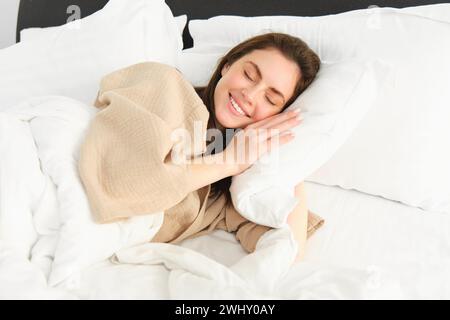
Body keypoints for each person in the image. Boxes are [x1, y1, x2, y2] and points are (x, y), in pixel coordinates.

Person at [79, 32, 322, 263]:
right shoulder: (163, 85)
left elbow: (287, 250)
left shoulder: (228, 193)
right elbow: (122, 187)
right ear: (227, 65)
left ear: (277, 116)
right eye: (249, 74)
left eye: (270, 99)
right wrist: (228, 161)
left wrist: (291, 166)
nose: (250, 95)